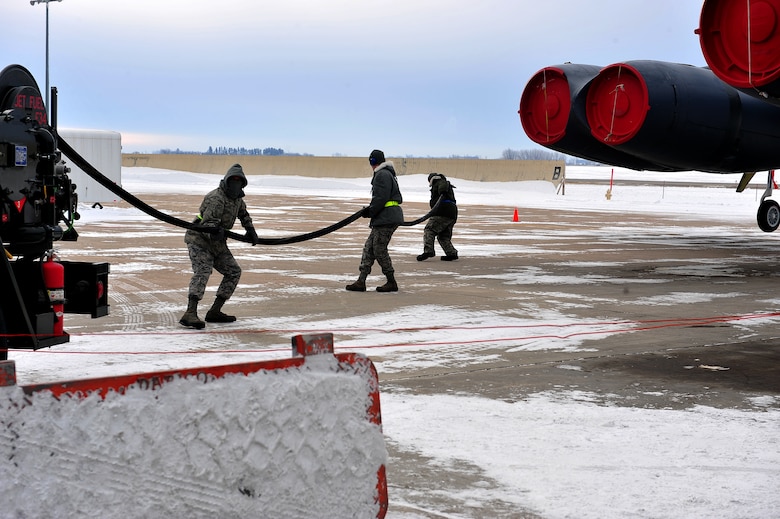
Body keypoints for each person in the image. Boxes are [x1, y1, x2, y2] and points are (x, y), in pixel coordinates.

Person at [179, 164, 259, 329]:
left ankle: (215, 311)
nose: (235, 184)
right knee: (203, 271)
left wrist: (250, 230)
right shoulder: (217, 197)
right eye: (233, 180)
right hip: (199, 240)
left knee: (233, 272)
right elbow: (208, 222)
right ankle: (190, 313)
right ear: (227, 181)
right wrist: (215, 231)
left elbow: (244, 214)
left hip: (217, 243)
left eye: (239, 181)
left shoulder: (237, 199)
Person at [346, 149, 404, 293]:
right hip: (384, 217)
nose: (371, 164)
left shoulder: (382, 174)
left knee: (378, 249)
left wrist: (370, 211)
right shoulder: (386, 173)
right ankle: (361, 281)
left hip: (387, 218)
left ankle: (391, 281)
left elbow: (381, 198)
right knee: (369, 248)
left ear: (374, 161)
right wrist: (371, 211)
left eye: (371, 161)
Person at [417, 172, 458, 261]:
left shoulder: (440, 182)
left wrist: (442, 190)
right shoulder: (442, 183)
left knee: (429, 230)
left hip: (442, 212)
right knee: (443, 236)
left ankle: (428, 251)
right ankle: (451, 253)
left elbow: (443, 184)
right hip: (451, 214)